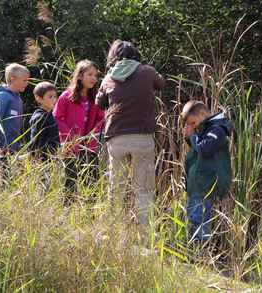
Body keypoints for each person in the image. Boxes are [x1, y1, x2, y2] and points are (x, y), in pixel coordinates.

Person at [95, 40, 165, 232]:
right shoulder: (147, 72)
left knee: (116, 188)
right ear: (136, 55)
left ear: (112, 58)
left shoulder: (108, 78)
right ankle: (146, 236)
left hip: (116, 138)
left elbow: (99, 103)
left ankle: (115, 233)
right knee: (144, 190)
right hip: (142, 137)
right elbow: (161, 84)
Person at [181, 100, 233, 251]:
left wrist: (193, 136)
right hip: (198, 183)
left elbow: (204, 149)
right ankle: (196, 252)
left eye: (194, 122)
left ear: (202, 114)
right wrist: (189, 138)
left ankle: (203, 255)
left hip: (206, 182)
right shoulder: (206, 127)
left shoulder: (217, 128)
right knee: (193, 216)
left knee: (200, 218)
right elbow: (199, 150)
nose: (194, 126)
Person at [53, 60, 105, 203]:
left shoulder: (97, 96)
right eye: (90, 74)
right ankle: (68, 214)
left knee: (91, 183)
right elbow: (56, 117)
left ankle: (91, 215)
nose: (94, 78)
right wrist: (70, 136)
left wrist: (93, 133)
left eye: (95, 75)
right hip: (71, 147)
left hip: (90, 147)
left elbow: (101, 118)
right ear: (80, 75)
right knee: (70, 184)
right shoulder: (67, 96)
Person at [0, 63, 30, 187]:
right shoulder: (3, 96)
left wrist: (16, 147)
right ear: (13, 80)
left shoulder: (18, 100)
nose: (27, 83)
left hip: (9, 150)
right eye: (24, 80)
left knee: (7, 182)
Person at [28, 81, 60, 190]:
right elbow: (35, 142)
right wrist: (51, 151)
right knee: (42, 190)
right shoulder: (39, 117)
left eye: (55, 96)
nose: (54, 99)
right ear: (40, 100)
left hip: (50, 160)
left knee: (50, 189)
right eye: (50, 97)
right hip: (40, 162)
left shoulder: (51, 116)